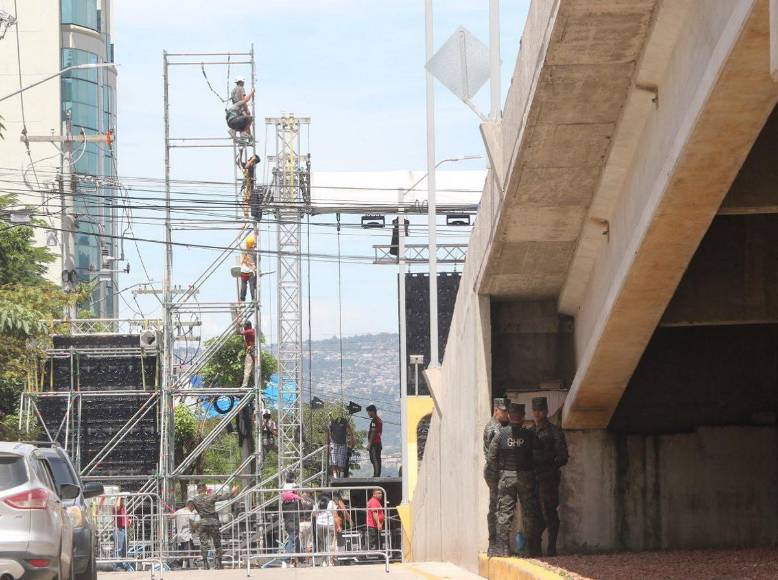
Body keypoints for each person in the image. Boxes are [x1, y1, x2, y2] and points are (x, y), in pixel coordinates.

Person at [488, 402, 542, 557]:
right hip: (526, 476)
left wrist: (500, 471)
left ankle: (503, 548)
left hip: (506, 476)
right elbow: (539, 452)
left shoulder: (501, 434)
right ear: (523, 417)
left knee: (504, 512)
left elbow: (491, 457)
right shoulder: (529, 435)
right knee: (529, 512)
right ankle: (531, 549)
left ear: (509, 416)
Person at [531, 396, 568, 557]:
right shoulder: (530, 432)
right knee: (534, 513)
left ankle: (552, 547)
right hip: (533, 478)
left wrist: (549, 463)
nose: (537, 413)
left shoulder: (554, 431)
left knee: (549, 511)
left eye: (540, 410)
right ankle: (535, 547)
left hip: (548, 478)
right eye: (535, 410)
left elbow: (563, 456)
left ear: (546, 411)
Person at [483, 397, 510, 556]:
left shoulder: (502, 426)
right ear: (496, 410)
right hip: (495, 473)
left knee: (501, 508)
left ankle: (499, 543)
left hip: (500, 472)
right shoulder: (493, 429)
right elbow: (493, 456)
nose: (506, 414)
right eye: (504, 411)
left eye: (507, 411)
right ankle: (493, 543)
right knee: (495, 508)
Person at [191, 483, 239, 569]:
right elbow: (224, 497)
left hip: (203, 522)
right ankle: (218, 563)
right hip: (213, 522)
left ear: (198, 490)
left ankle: (205, 564)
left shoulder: (195, 499)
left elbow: (197, 510)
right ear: (205, 488)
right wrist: (232, 492)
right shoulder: (211, 496)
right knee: (217, 543)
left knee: (204, 544)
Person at [281, 475, 302, 568]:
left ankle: (296, 560)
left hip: (288, 523)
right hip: (294, 523)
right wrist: (299, 497)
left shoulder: (284, 503)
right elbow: (301, 509)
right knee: (291, 541)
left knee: (293, 540)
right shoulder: (295, 503)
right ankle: (285, 560)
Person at [327, 413, 354, 478]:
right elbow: (328, 434)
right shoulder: (331, 423)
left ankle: (341, 479)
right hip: (333, 445)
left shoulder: (344, 421)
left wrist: (352, 440)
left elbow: (350, 430)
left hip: (342, 445)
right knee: (334, 464)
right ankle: (335, 478)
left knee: (341, 465)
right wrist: (328, 445)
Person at [314, 493, 337, 566]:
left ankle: (323, 561)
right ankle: (329, 561)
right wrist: (336, 526)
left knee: (322, 543)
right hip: (329, 524)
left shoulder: (318, 503)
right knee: (329, 543)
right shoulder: (331, 503)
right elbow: (335, 514)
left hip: (319, 524)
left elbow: (314, 514)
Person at [174, 500, 196, 569]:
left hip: (180, 535)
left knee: (184, 551)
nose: (193, 509)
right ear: (191, 506)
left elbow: (171, 516)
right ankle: (187, 566)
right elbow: (193, 524)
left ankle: (184, 565)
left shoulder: (179, 511)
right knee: (189, 551)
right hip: (187, 536)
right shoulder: (190, 513)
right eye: (193, 507)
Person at [113, 496, 132, 570]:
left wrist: (129, 521)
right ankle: (117, 565)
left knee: (124, 548)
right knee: (119, 548)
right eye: (121, 499)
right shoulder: (116, 507)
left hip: (124, 529)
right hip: (119, 529)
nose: (123, 501)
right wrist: (119, 497)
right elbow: (116, 508)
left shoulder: (124, 507)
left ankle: (124, 565)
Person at [239, 155, 261, 219]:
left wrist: (252, 159)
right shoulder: (249, 165)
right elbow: (241, 164)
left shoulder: (251, 166)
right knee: (246, 200)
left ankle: (246, 216)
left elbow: (246, 166)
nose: (249, 159)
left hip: (248, 187)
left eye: (251, 158)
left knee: (246, 200)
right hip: (247, 187)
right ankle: (246, 216)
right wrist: (241, 153)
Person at [237, 320, 256, 389]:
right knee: (255, 369)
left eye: (245, 326)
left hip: (251, 351)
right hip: (254, 351)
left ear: (247, 326)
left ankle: (244, 385)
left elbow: (238, 332)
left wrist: (238, 325)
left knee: (247, 369)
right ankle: (256, 384)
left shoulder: (249, 331)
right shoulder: (253, 331)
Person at [366, 405, 383, 477]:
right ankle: (377, 474)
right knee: (376, 459)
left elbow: (373, 431)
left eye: (368, 412)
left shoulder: (374, 421)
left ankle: (376, 475)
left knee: (375, 459)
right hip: (378, 443)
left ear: (372, 411)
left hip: (374, 444)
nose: (368, 414)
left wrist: (369, 444)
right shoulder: (379, 419)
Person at [239, 234, 257, 301]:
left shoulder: (244, 249)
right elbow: (258, 260)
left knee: (243, 286)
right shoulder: (255, 252)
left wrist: (241, 231)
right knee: (252, 286)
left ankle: (242, 299)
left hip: (243, 271)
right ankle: (253, 299)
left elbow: (238, 241)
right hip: (251, 271)